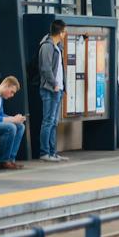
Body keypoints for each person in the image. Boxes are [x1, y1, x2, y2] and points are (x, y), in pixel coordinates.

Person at [38, 19, 68, 162]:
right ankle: (44, 152)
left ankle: (52, 152)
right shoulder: (47, 47)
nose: (65, 33)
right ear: (60, 32)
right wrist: (55, 84)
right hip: (50, 89)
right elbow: (45, 68)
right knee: (48, 121)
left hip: (58, 89)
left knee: (53, 122)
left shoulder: (57, 47)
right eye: (64, 31)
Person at [0, 77, 26, 170]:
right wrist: (12, 119)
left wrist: (15, 119)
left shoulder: (0, 97)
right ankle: (3, 160)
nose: (12, 95)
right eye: (12, 92)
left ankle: (10, 160)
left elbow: (1, 115)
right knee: (11, 127)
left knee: (20, 126)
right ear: (6, 85)